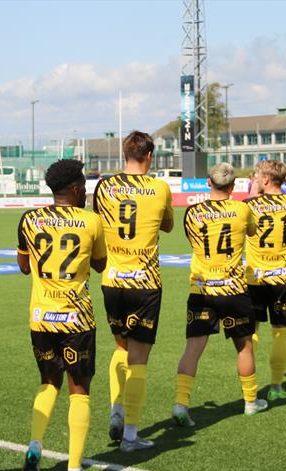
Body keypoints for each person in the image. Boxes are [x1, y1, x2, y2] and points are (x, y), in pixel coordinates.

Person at [17, 159, 107, 471]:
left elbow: (24, 266)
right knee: (79, 391)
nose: (85, 192)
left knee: (49, 382)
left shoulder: (29, 220)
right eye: (83, 186)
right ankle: (74, 470)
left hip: (41, 317)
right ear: (75, 189)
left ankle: (35, 444)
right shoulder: (91, 221)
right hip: (76, 319)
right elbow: (100, 264)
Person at [92, 131, 173, 451]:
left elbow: (97, 222)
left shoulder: (104, 187)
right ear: (149, 155)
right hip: (144, 283)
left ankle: (116, 409)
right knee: (139, 358)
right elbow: (167, 225)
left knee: (121, 347)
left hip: (112, 281)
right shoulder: (160, 188)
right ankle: (130, 435)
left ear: (124, 154)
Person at [172, 163, 268, 427]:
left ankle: (181, 404)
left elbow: (193, 240)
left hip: (202, 289)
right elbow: (253, 231)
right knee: (244, 345)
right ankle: (250, 402)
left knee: (193, 348)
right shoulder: (242, 209)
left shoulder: (192, 212)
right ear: (233, 186)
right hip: (233, 289)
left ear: (208, 182)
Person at [244, 160, 286, 400]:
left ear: (266, 180)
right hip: (282, 277)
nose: (256, 179)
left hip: (255, 277)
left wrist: (254, 190)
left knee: (252, 332)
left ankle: (250, 388)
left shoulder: (249, 205)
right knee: (281, 333)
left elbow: (248, 206)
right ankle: (276, 387)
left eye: (259, 176)